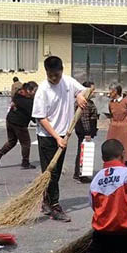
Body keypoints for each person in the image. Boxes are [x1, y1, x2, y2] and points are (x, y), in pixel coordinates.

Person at [31, 56, 89, 222]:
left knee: (54, 173)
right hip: (48, 137)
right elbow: (41, 118)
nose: (54, 78)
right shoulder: (43, 90)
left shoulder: (68, 82)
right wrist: (57, 137)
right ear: (46, 72)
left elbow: (85, 90)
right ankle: (54, 205)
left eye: (56, 74)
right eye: (50, 75)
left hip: (64, 134)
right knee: (51, 173)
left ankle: (46, 201)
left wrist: (79, 96)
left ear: (61, 71)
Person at [0, 81, 38, 169]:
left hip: (10, 120)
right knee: (26, 143)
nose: (35, 93)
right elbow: (32, 114)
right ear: (28, 90)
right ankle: (25, 162)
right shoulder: (27, 101)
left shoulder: (18, 95)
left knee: (12, 141)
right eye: (34, 91)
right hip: (19, 123)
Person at [106, 84, 127, 168]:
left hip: (125, 129)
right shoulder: (111, 103)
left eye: (110, 91)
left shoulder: (126, 101)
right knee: (112, 149)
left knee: (125, 150)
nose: (109, 93)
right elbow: (111, 114)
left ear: (115, 91)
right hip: (113, 128)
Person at [73, 81, 98, 183]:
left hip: (82, 131)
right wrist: (88, 133)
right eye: (92, 90)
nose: (94, 92)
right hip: (84, 132)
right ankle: (80, 174)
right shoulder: (85, 103)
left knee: (82, 151)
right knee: (83, 152)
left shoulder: (85, 101)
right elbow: (85, 120)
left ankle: (79, 173)